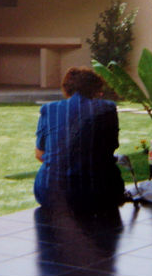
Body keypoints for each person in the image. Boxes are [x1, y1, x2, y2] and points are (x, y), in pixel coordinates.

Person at [34, 67, 125, 214]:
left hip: (50, 193)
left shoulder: (49, 110)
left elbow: (39, 154)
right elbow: (111, 147)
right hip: (99, 192)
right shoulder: (107, 108)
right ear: (95, 90)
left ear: (66, 88)